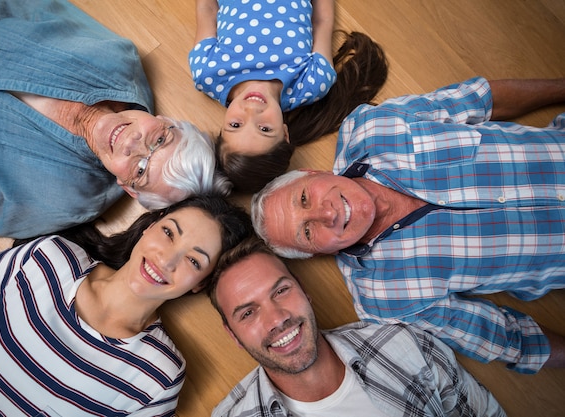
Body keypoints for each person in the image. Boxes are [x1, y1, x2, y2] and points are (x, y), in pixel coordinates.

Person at [250, 76, 565, 374]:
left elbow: (479, 100)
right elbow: (511, 341)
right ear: (318, 253)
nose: (327, 214)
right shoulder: (384, 297)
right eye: (307, 232)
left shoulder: (371, 128)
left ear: (311, 173)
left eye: (304, 198)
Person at [0, 194, 253, 416]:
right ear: (149, 227)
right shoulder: (48, 257)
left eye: (194, 261)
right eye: (169, 232)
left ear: (199, 284)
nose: (166, 259)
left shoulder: (159, 377)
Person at [0, 0, 230, 239]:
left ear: (127, 187)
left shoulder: (62, 202)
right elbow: (27, 5)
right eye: (159, 139)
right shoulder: (115, 57)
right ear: (167, 120)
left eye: (141, 170)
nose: (132, 143)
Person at [207, 236, 505, 416]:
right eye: (248, 313)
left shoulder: (404, 346)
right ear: (232, 335)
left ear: (305, 292)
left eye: (281, 291)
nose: (277, 319)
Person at [189, 0, 388, 192]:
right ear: (285, 134)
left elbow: (206, 8)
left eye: (235, 125)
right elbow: (322, 21)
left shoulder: (208, 73)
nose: (252, 111)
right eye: (264, 128)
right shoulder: (312, 82)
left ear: (222, 128)